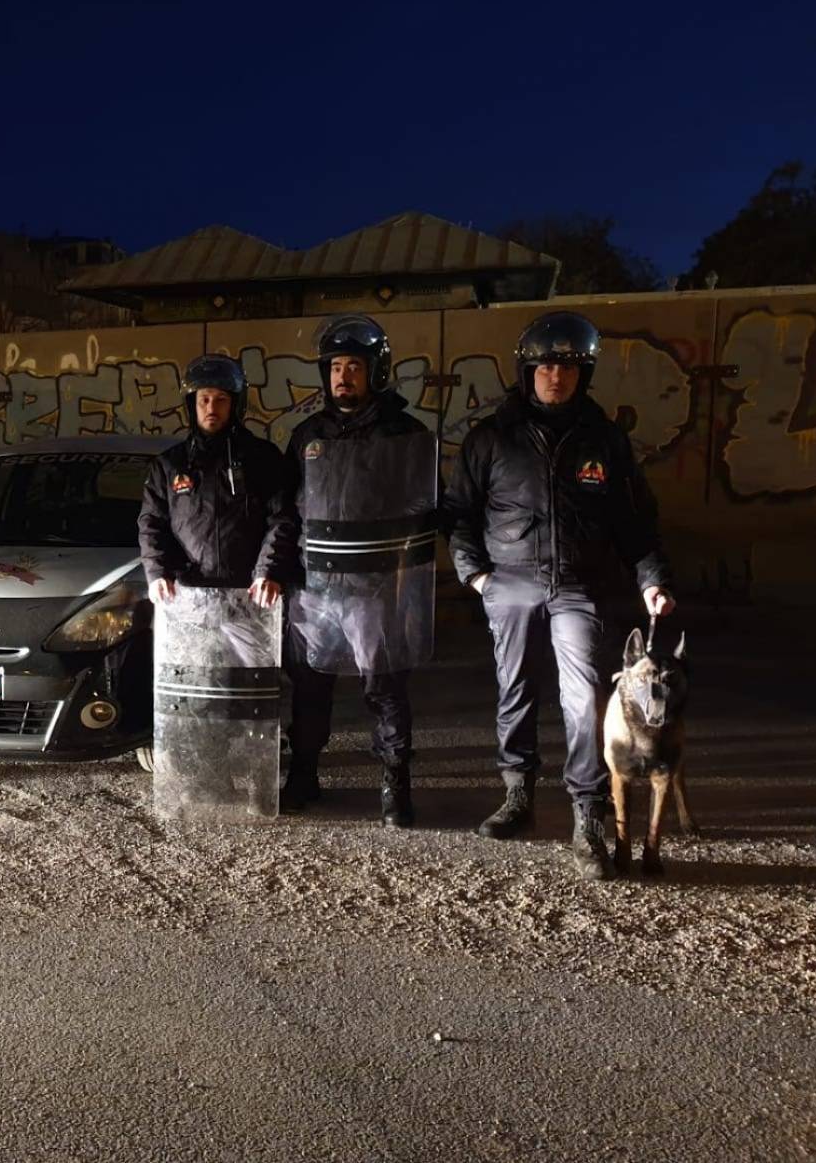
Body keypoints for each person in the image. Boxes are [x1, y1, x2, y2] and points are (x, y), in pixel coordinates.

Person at [444, 310, 674, 881]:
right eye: (546, 366)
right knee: (515, 689)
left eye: (569, 367)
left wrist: (652, 579)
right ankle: (517, 793)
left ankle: (587, 815)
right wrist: (477, 577)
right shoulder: (492, 437)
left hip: (578, 586)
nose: (556, 376)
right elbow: (459, 513)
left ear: (584, 373)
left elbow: (635, 521)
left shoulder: (604, 440)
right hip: (510, 582)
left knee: (583, 697)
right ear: (527, 371)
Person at [281, 315, 435, 827]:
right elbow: (285, 509)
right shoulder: (307, 434)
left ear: (376, 371)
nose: (342, 377)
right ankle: (303, 773)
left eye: (353, 367)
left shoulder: (404, 434)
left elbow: (423, 506)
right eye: (335, 368)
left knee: (384, 687)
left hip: (375, 586)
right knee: (309, 685)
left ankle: (395, 782)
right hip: (315, 585)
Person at [137, 354, 294, 607]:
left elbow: (282, 518)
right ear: (192, 405)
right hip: (187, 598)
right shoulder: (170, 465)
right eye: (204, 399)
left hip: (251, 596)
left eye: (221, 400)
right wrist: (157, 572)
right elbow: (152, 523)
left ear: (235, 405)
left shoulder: (262, 458)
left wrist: (268, 570)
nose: (211, 408)